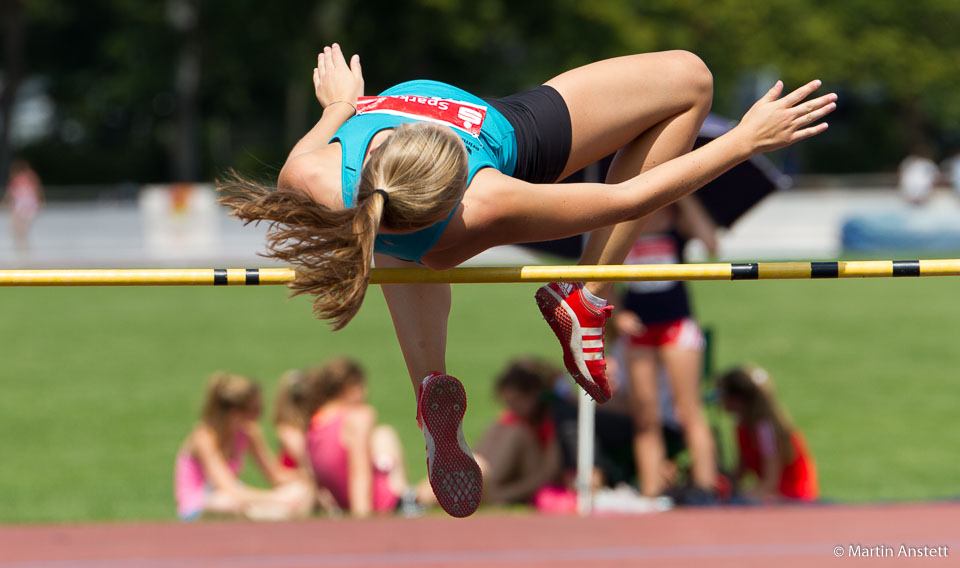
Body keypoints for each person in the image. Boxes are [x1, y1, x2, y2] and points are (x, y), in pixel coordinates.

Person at [219, 43, 836, 517]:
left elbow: (318, 145)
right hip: (507, 136)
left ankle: (430, 388)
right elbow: (629, 198)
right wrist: (742, 141)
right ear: (456, 178)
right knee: (691, 79)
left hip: (400, 231)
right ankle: (586, 296)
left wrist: (338, 105)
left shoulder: (317, 177)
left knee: (399, 255)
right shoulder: (486, 197)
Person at [613, 198, 718, 500]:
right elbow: (604, 276)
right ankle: (652, 492)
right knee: (645, 416)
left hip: (676, 324)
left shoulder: (677, 220)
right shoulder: (623, 224)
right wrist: (618, 315)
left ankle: (706, 488)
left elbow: (711, 245)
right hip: (639, 330)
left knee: (688, 409)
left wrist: (685, 196)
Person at [173, 373, 314, 521]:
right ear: (234, 413)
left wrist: (308, 477)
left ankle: (272, 512)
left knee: (301, 489)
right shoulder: (204, 438)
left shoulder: (248, 433)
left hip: (237, 498)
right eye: (255, 410)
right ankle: (274, 512)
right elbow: (228, 487)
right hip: (202, 504)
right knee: (224, 502)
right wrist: (276, 499)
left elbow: (275, 475)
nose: (258, 416)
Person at [305, 357, 427, 517]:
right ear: (351, 389)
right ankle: (410, 499)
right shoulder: (358, 418)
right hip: (389, 504)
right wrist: (362, 517)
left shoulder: (313, 426)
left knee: (381, 435)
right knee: (384, 435)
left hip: (343, 505)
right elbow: (359, 472)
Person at [716, 365, 819, 502]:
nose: (719, 401)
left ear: (737, 399)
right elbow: (740, 472)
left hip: (792, 497)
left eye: (722, 395)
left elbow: (770, 483)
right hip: (776, 495)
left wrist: (740, 498)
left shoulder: (765, 430)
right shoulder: (743, 426)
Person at [473, 358, 563, 507]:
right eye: (508, 402)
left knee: (516, 433)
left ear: (533, 395)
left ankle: (476, 484)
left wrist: (501, 496)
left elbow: (547, 474)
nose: (512, 407)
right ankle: (469, 477)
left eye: (516, 401)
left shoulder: (552, 420)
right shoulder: (512, 418)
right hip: (499, 479)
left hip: (528, 482)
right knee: (497, 428)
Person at [272, 369, 340, 515]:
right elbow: (308, 464)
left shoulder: (309, 426)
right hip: (296, 483)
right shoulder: (289, 431)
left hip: (305, 481)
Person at [3, 159, 44, 256]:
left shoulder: (25, 177)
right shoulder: (27, 177)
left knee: (19, 230)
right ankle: (23, 252)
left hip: (24, 205)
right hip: (26, 205)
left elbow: (10, 194)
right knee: (19, 231)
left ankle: (24, 252)